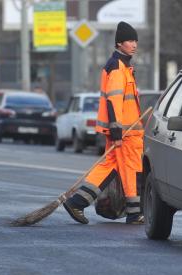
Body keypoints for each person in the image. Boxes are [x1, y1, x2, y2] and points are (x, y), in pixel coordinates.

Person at [63, 21, 144, 225]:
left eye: (135, 40)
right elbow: (113, 101)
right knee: (131, 169)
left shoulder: (123, 66)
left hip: (125, 131)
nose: (133, 44)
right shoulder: (117, 68)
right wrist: (117, 133)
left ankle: (77, 202)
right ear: (119, 43)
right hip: (125, 133)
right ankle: (134, 212)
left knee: (109, 167)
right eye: (129, 40)